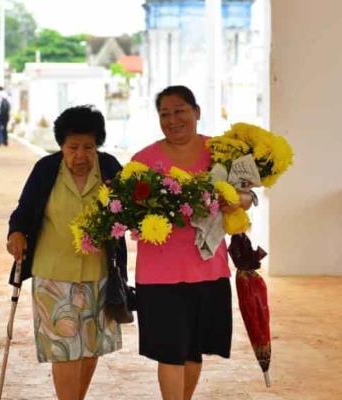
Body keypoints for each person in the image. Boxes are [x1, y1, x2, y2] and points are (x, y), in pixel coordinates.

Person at [131, 85, 253, 400]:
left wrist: (235, 199)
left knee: (193, 350)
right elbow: (129, 214)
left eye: (180, 111)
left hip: (209, 269)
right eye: (165, 114)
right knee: (169, 352)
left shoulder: (222, 153)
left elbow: (250, 195)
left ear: (196, 112)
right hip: (159, 274)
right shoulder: (143, 161)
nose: (173, 120)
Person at [6, 105, 126, 400]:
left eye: (88, 147)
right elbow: (22, 213)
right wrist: (16, 234)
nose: (80, 155)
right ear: (61, 146)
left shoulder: (110, 168)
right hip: (53, 275)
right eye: (73, 147)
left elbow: (128, 210)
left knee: (90, 348)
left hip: (99, 274)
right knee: (65, 351)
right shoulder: (46, 170)